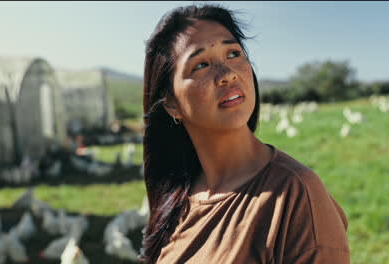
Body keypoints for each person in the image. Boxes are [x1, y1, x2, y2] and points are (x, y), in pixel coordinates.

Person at [140, 4, 349, 264]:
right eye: (201, 64)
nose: (227, 74)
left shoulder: (295, 195)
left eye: (233, 53)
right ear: (171, 103)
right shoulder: (177, 198)